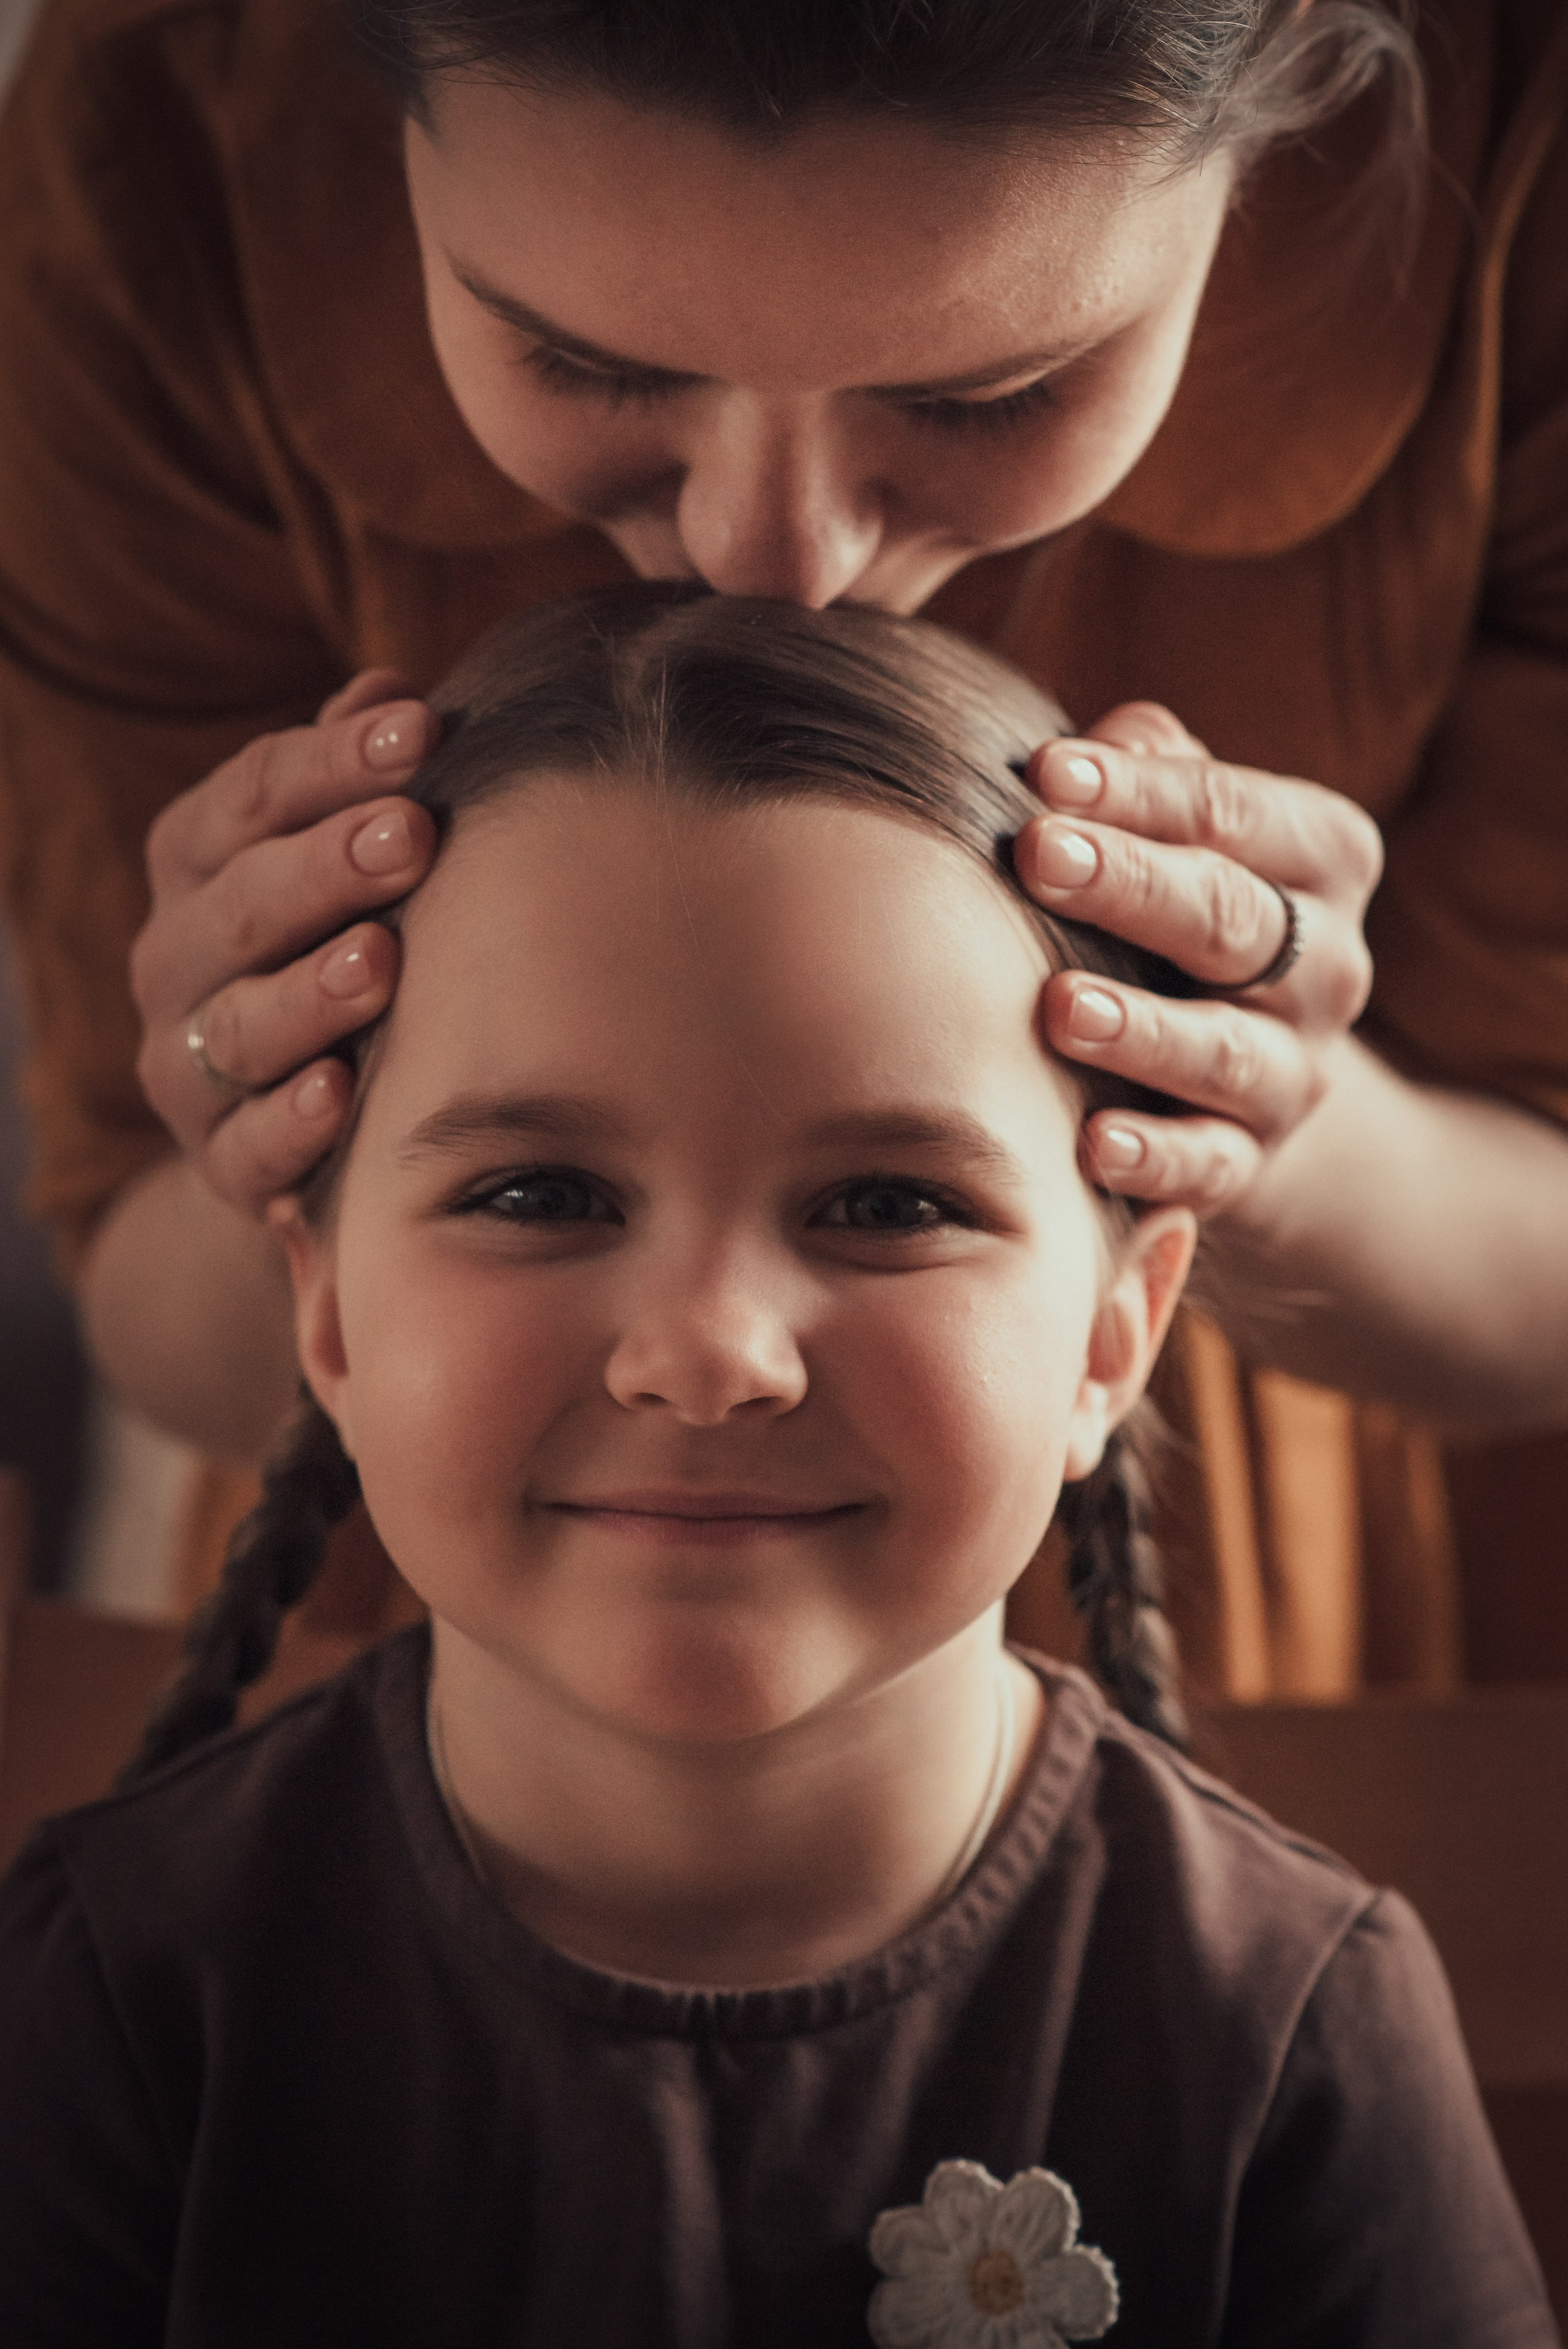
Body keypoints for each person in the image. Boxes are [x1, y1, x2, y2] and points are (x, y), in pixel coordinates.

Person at [0, 589, 1551, 2347]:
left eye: (888, 1205)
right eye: (540, 1194)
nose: (711, 1353)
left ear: (1117, 1333)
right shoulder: (113, 1994)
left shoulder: (1292, 2033)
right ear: (328, 1310)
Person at [1, 0, 1566, 1674]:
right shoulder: (155, 129)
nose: (773, 564)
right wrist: (262, 1132)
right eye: (586, 361)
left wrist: (1271, 1112)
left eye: (992, 393)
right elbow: (146, 1273)